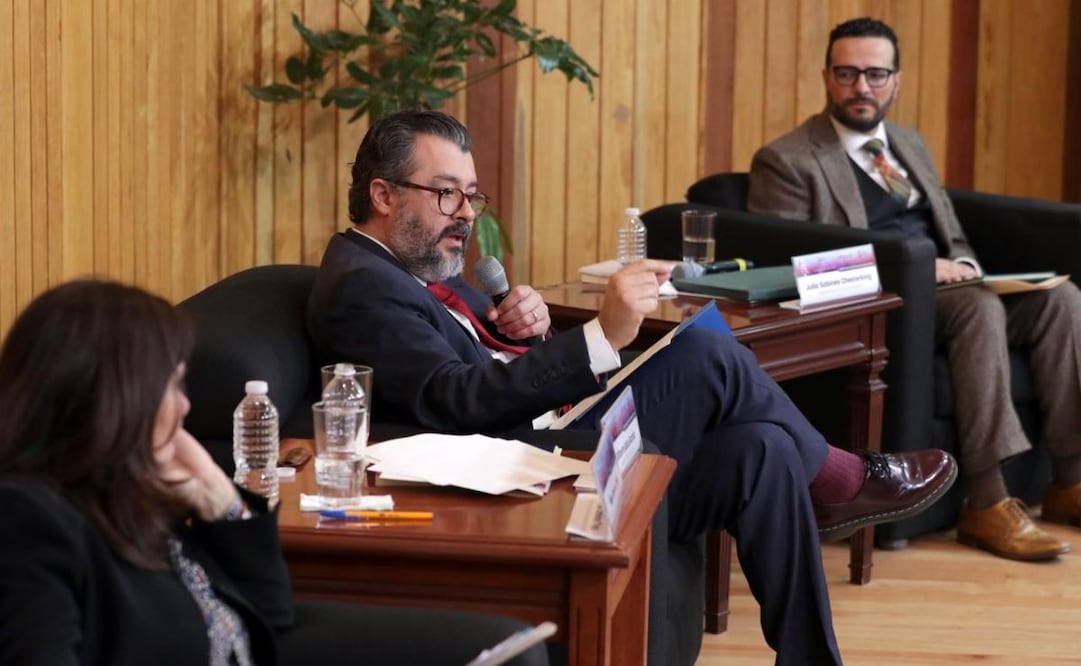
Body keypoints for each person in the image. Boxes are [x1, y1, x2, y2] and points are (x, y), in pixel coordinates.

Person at [306, 108, 958, 664]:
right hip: (534, 469)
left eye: (471, 196)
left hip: (552, 431)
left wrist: (523, 331)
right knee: (704, 347)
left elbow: (477, 367)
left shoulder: (407, 271)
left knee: (763, 447)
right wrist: (601, 335)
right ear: (383, 194)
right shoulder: (363, 285)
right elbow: (456, 402)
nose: (464, 215)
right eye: (445, 193)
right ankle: (843, 483)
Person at [0, 279, 548, 666]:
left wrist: (224, 504)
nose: (185, 407)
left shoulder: (130, 488)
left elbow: (268, 614)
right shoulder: (29, 519)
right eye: (170, 386)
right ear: (113, 397)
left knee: (512, 647)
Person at [746, 16, 1081, 562]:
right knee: (978, 310)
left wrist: (967, 263)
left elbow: (950, 232)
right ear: (827, 77)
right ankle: (987, 502)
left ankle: (1068, 481)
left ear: (896, 80)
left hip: (950, 290)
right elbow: (793, 261)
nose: (862, 87)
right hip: (884, 305)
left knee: (1062, 301)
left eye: (876, 74)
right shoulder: (788, 159)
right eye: (849, 73)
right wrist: (922, 271)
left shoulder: (907, 143)